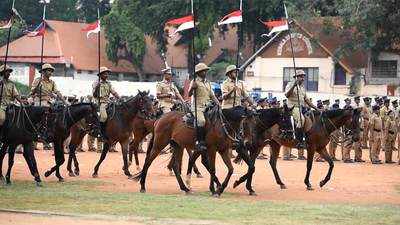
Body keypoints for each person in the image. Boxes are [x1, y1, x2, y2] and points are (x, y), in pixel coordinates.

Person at [188, 63, 220, 151]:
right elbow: (189, 94)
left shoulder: (208, 83)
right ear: (198, 72)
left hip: (208, 106)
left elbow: (212, 96)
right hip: (197, 107)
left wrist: (219, 104)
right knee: (201, 121)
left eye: (205, 70)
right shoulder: (194, 81)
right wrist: (192, 88)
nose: (205, 72)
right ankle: (199, 142)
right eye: (203, 71)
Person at [284, 69, 320, 149]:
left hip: (301, 107)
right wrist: (294, 86)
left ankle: (308, 138)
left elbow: (306, 100)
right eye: (300, 77)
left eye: (303, 77)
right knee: (301, 120)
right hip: (292, 107)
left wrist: (316, 108)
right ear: (295, 77)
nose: (302, 79)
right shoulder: (290, 84)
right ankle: (298, 140)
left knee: (310, 119)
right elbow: (287, 95)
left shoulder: (302, 88)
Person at [92, 67, 120, 140]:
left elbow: (113, 92)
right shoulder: (96, 83)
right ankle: (101, 132)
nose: (107, 75)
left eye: (107, 73)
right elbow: (94, 95)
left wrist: (119, 98)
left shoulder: (109, 83)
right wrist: (97, 87)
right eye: (105, 73)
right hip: (99, 102)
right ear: (100, 75)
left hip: (108, 102)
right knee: (103, 117)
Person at [0, 65, 21, 131]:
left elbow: (16, 94)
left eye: (9, 72)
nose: (9, 73)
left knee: (21, 113)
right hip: (1, 105)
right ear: (2, 73)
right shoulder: (0, 82)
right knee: (2, 118)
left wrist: (21, 102)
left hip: (10, 104)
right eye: (7, 72)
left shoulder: (11, 83)